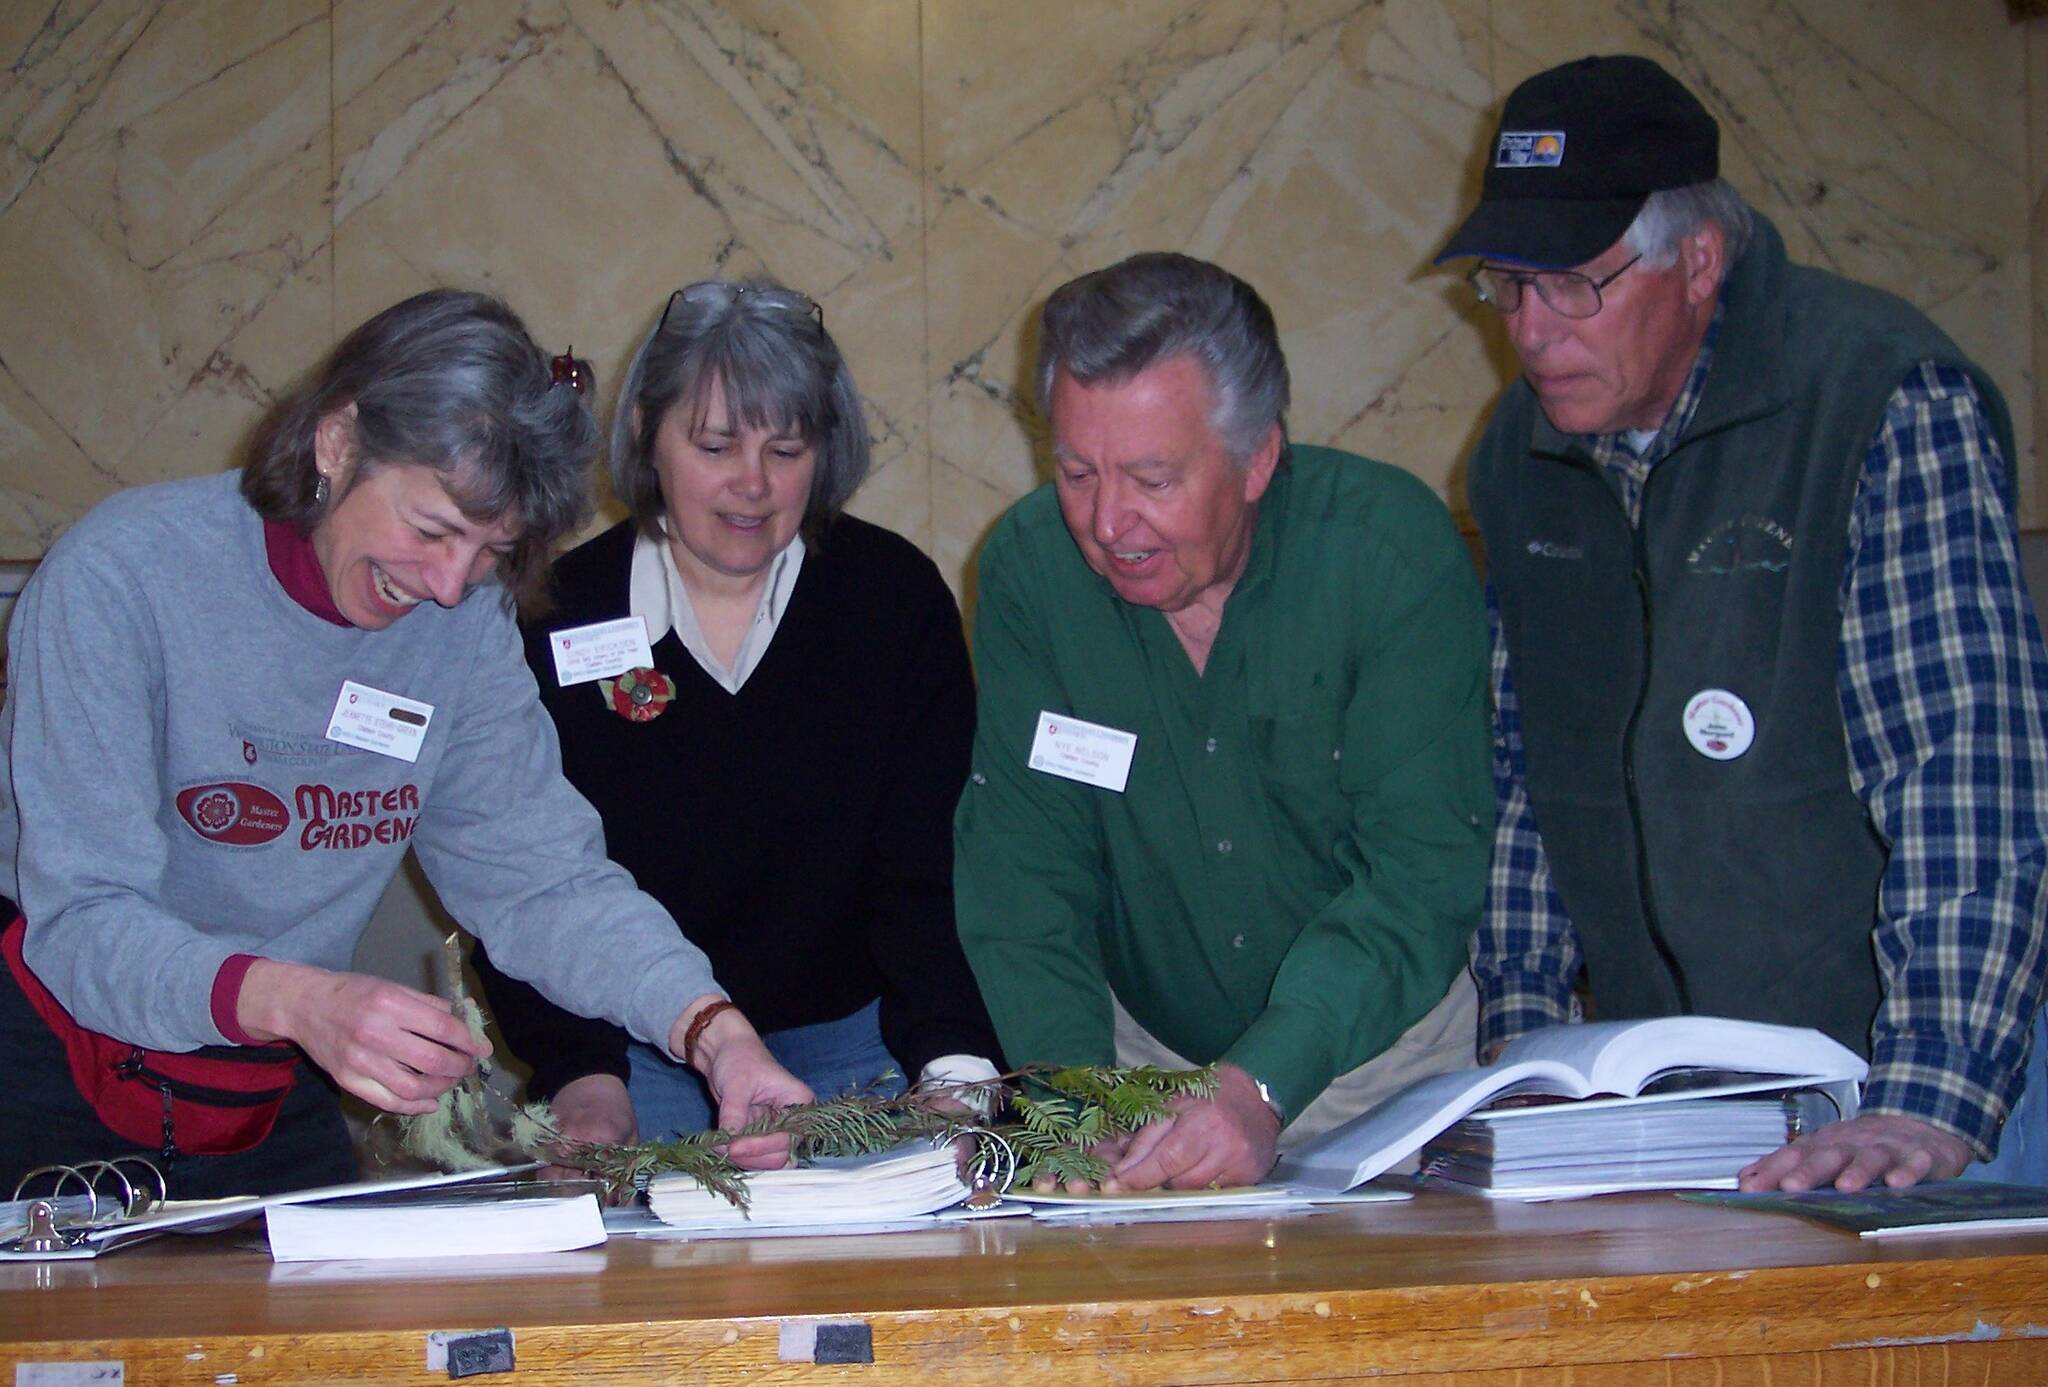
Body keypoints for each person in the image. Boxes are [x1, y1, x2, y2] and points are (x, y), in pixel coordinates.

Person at [0, 289, 810, 1198]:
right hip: (52, 1072)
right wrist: (302, 999)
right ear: (337, 442)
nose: (449, 586)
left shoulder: (461, 625)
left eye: (489, 550)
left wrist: (714, 1031)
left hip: (268, 1075)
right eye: (431, 530)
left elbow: (543, 883)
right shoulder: (121, 580)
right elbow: (82, 923)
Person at [1441, 54, 2048, 1192]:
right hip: (1681, 1095)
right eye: (1505, 284)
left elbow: (1962, 771)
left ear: (1698, 262)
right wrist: (1523, 1044)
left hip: (1900, 1074)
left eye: (1572, 284)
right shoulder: (1518, 455)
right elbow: (1519, 776)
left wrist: (1931, 1093)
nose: (1529, 330)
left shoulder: (1876, 397)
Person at [954, 252, 1493, 1192]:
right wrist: (1070, 1102)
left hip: (1378, 1067)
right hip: (1132, 1071)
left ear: (1259, 458)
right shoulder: (1030, 574)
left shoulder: (1389, 557)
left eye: (1152, 478)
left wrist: (1264, 1080)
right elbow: (1023, 871)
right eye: (1076, 471)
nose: (1108, 521)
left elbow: (1420, 875)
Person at [469, 279, 1002, 1147]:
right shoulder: (558, 610)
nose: (752, 486)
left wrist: (954, 1063)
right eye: (715, 445)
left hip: (864, 1048)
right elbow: (530, 879)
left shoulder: (890, 599)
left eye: (787, 451)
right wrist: (582, 1076)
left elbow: (928, 867)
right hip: (638, 1054)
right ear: (646, 432)